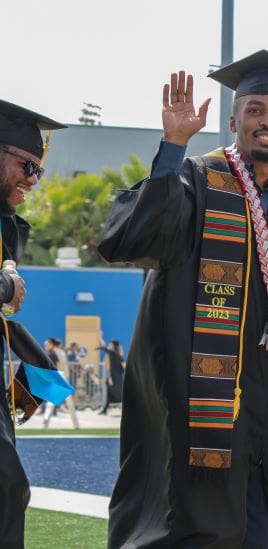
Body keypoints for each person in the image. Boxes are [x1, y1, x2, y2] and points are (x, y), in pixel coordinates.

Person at [98, 50, 268, 547]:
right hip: (194, 401)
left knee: (251, 529)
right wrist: (173, 146)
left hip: (260, 408)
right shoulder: (195, 180)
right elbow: (130, 240)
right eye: (257, 110)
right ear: (234, 119)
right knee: (189, 528)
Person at [0, 99, 65, 547]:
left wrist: (38, 373)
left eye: (38, 170)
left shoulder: (5, 227)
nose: (33, 180)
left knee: (9, 491)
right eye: (28, 165)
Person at [42, 338, 79, 429]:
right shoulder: (58, 352)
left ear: (53, 345)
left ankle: (45, 422)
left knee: (55, 401)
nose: (46, 346)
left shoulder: (55, 353)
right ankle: (75, 424)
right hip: (61, 379)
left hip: (60, 379)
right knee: (63, 402)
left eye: (47, 344)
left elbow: (59, 366)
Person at [98, 338, 124, 415]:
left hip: (115, 378)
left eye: (110, 344)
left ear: (113, 345)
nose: (109, 345)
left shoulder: (114, 353)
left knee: (118, 393)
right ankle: (105, 410)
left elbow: (107, 349)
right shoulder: (117, 353)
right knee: (109, 394)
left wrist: (103, 345)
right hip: (114, 377)